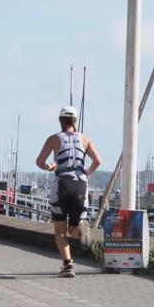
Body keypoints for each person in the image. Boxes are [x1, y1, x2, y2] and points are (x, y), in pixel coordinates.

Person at [35, 105, 102, 278]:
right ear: (75, 121)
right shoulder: (85, 138)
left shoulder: (53, 139)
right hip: (81, 184)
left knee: (60, 231)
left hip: (62, 184)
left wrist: (49, 166)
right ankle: (81, 231)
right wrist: (86, 173)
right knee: (73, 229)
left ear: (60, 121)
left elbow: (39, 161)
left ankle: (68, 265)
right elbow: (98, 160)